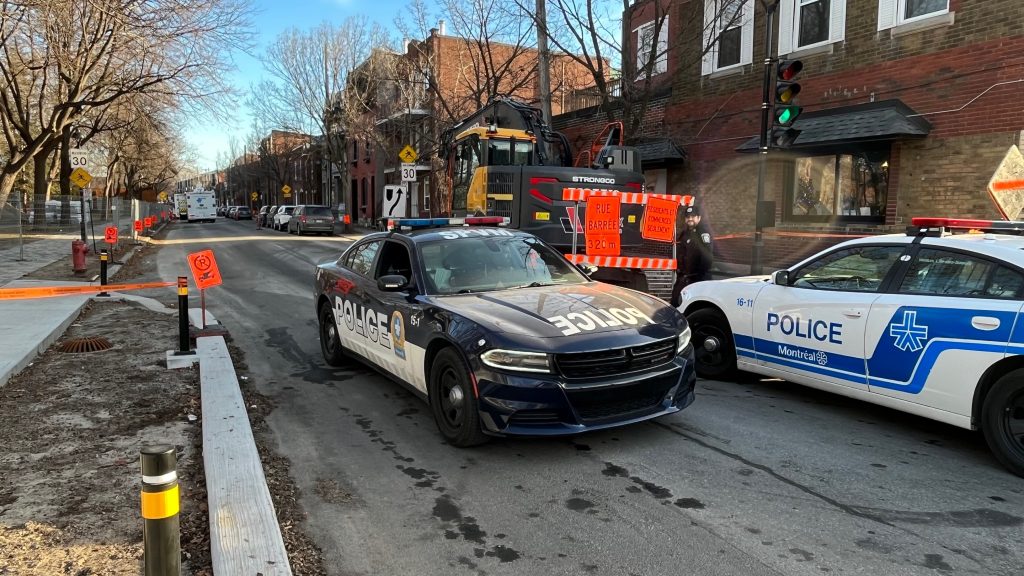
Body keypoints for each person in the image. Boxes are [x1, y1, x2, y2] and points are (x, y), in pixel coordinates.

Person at [671, 203, 713, 307]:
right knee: (675, 302)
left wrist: (699, 276)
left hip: (697, 279)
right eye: (688, 217)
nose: (690, 219)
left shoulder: (703, 233)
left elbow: (707, 258)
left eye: (693, 217)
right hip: (683, 278)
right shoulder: (684, 234)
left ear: (699, 218)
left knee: (694, 306)